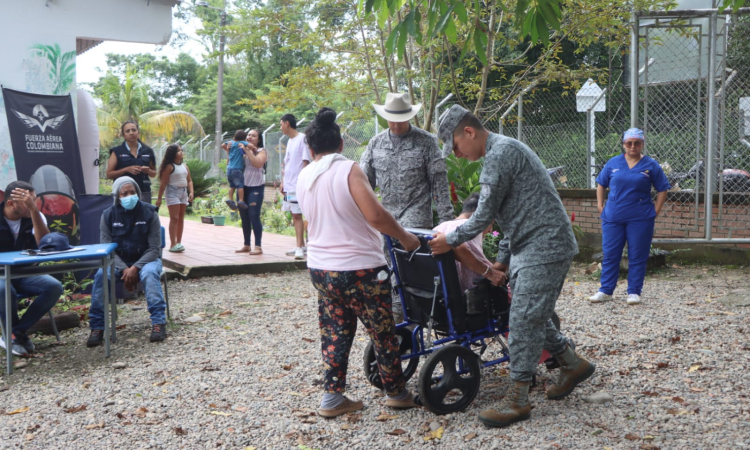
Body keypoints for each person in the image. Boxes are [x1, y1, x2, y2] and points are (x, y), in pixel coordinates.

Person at [429, 105, 595, 428]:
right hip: (529, 245)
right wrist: (502, 257)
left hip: (545, 245)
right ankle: (571, 363)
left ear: (469, 132)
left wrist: (450, 239)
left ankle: (517, 399)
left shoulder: (500, 154)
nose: (458, 156)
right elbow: (509, 213)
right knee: (531, 312)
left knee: (521, 318)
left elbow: (482, 217)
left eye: (457, 147)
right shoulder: (502, 152)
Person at [297, 107, 421, 417]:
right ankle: (396, 391)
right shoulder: (349, 169)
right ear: (340, 144)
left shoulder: (304, 176)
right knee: (382, 331)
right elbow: (376, 215)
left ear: (311, 149)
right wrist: (406, 238)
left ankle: (333, 397)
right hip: (360, 269)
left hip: (321, 268)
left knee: (335, 331)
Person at [360, 92, 454, 322]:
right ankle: (396, 317)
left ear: (409, 116)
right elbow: (364, 184)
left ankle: (409, 316)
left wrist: (447, 223)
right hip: (387, 216)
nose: (396, 123)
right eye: (391, 118)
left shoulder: (426, 142)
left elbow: (439, 185)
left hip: (416, 215)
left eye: (401, 118)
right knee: (389, 266)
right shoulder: (375, 143)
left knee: (411, 267)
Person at [589, 128, 670, 305]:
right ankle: (605, 291)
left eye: (637, 143)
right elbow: (601, 184)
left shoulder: (651, 165)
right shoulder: (613, 163)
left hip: (640, 218)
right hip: (613, 217)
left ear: (642, 144)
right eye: (629, 143)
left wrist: (655, 210)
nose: (633, 146)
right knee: (610, 254)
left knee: (638, 255)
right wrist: (600, 205)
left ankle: (633, 292)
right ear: (624, 144)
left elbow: (663, 189)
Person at [86, 177, 168, 347]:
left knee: (150, 273)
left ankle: (158, 323)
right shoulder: (108, 215)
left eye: (133, 192)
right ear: (117, 195)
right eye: (125, 193)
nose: (129, 196)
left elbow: (154, 248)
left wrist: (136, 268)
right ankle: (97, 327)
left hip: (147, 260)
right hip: (118, 262)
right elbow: (106, 248)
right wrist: (125, 268)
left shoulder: (150, 212)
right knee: (101, 275)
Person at [0, 181, 63, 356]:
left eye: (33, 200)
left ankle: (16, 333)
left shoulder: (35, 215)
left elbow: (45, 245)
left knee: (53, 287)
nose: (32, 205)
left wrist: (34, 211)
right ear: (11, 203)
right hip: (0, 274)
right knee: (5, 290)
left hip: (25, 272)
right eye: (27, 201)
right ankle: (14, 335)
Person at [432, 192, 506, 291]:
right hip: (466, 296)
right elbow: (459, 247)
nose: (490, 230)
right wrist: (492, 273)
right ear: (481, 217)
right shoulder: (470, 228)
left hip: (439, 292)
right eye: (491, 223)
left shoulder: (439, 227)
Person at [280, 114, 311, 260]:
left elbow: (306, 161)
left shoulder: (302, 138)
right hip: (289, 185)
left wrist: (302, 182)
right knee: (294, 214)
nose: (280, 128)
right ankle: (301, 245)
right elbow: (287, 164)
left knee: (298, 215)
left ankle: (300, 247)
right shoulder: (290, 141)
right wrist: (283, 182)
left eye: (281, 124)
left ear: (287, 123)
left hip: (298, 185)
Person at [155, 144, 194, 253]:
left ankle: (179, 242)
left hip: (183, 192)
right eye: (178, 151)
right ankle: (173, 243)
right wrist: (159, 198)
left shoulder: (185, 166)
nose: (181, 152)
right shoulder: (169, 167)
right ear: (172, 154)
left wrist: (191, 191)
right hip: (173, 192)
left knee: (181, 218)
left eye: (181, 150)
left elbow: (189, 180)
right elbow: (163, 183)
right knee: (174, 218)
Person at [106, 121, 157, 203]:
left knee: (145, 214)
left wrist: (148, 171)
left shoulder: (148, 151)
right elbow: (109, 174)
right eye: (127, 131)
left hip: (144, 191)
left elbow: (154, 173)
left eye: (134, 130)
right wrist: (126, 170)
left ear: (138, 132)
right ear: (123, 135)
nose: (131, 133)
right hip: (124, 193)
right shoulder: (117, 151)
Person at [235, 129, 267, 255]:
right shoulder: (241, 150)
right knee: (244, 217)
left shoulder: (262, 151)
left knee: (254, 215)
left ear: (258, 139)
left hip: (256, 186)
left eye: (253, 136)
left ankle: (258, 246)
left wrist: (247, 150)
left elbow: (258, 163)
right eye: (248, 135)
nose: (249, 137)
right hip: (243, 186)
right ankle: (246, 244)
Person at [221, 130, 249, 211]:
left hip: (229, 169)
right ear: (243, 139)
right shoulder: (241, 144)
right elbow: (250, 146)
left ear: (234, 137)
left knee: (232, 185)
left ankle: (230, 199)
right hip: (237, 169)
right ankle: (241, 200)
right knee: (240, 185)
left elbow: (222, 145)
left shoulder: (231, 143)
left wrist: (227, 149)